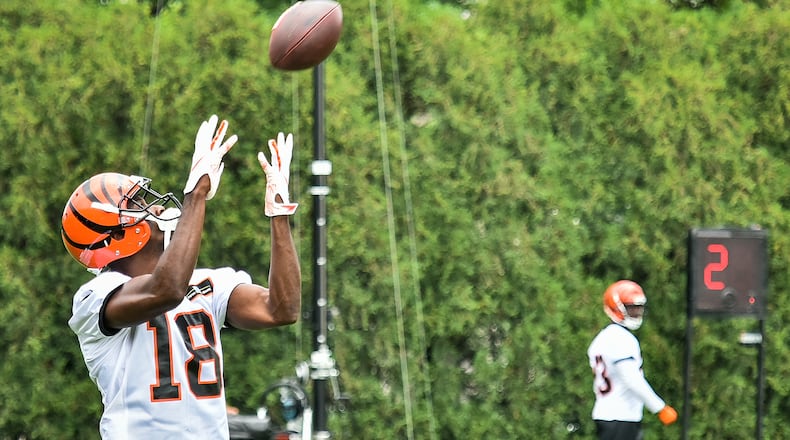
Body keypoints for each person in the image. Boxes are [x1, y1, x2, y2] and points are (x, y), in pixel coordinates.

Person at [61, 114, 301, 439]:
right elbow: (166, 290)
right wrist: (196, 195)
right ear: (115, 237)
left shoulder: (206, 285)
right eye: (138, 205)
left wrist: (279, 216)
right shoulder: (95, 298)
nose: (155, 208)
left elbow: (281, 309)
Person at [587, 280, 678, 440]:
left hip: (608, 414)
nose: (636, 312)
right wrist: (659, 407)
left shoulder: (602, 338)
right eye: (631, 307)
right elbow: (631, 378)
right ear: (616, 306)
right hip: (620, 416)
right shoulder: (622, 338)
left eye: (638, 308)